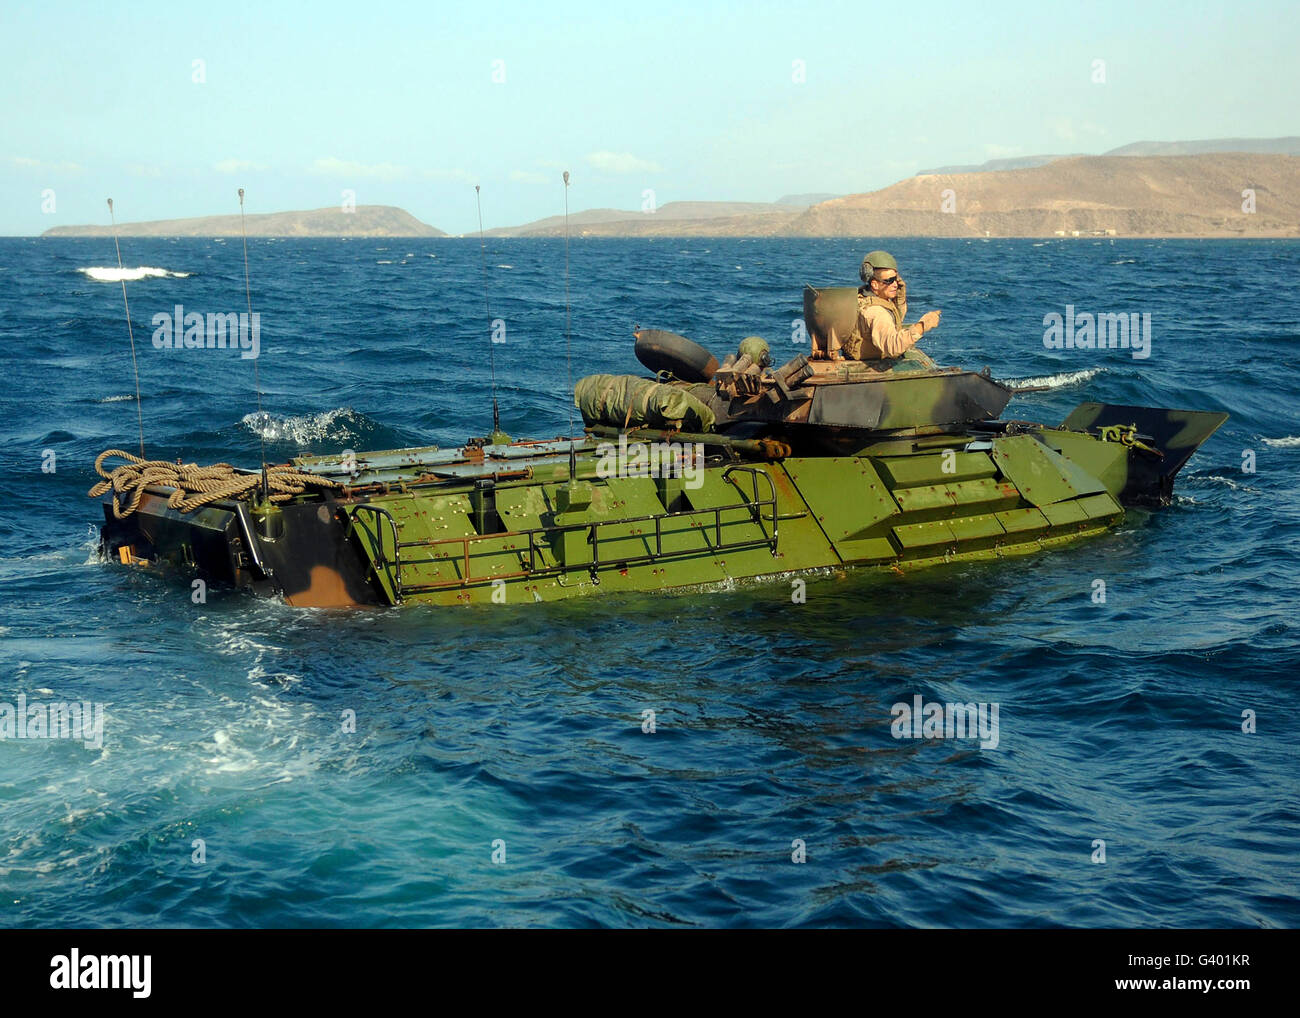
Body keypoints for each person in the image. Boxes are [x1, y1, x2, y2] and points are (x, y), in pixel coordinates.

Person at [833, 250, 941, 360]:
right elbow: (893, 347)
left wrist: (899, 297)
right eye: (889, 281)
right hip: (873, 366)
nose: (895, 284)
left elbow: (895, 318)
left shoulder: (860, 298)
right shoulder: (876, 312)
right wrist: (922, 326)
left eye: (896, 279)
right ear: (874, 284)